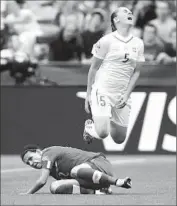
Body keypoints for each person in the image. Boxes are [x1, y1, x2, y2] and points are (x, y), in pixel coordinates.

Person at [83, 7, 145, 145]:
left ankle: (104, 118)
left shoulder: (138, 43)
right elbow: (93, 68)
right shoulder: (106, 41)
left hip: (122, 94)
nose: (129, 13)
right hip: (103, 90)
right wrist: (88, 94)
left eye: (130, 11)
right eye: (125, 11)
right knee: (103, 133)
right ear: (116, 20)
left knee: (119, 139)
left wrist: (127, 94)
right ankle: (91, 128)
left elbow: (137, 71)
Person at [20, 145, 131, 195]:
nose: (31, 163)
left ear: (38, 152)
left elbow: (42, 181)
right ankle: (99, 191)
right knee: (55, 187)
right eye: (28, 163)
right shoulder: (52, 170)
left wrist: (28, 193)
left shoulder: (47, 153)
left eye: (30, 158)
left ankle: (117, 181)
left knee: (74, 171)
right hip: (94, 178)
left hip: (99, 164)